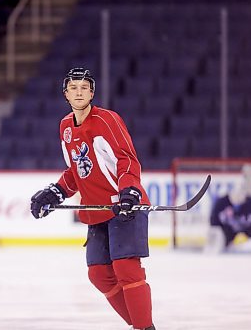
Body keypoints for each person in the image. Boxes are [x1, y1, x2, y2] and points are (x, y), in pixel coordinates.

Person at [30, 68, 155, 330]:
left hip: (124, 206)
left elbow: (127, 160)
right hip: (97, 210)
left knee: (125, 268)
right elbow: (77, 171)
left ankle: (144, 328)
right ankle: (141, 326)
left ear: (92, 93)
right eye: (73, 87)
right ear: (65, 94)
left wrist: (129, 191)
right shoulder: (65, 127)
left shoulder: (107, 120)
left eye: (83, 87)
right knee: (99, 274)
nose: (78, 92)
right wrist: (56, 191)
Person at [209, 165, 251, 253]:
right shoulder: (221, 204)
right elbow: (214, 224)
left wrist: (248, 236)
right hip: (227, 242)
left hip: (248, 241)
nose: (238, 198)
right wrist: (226, 239)